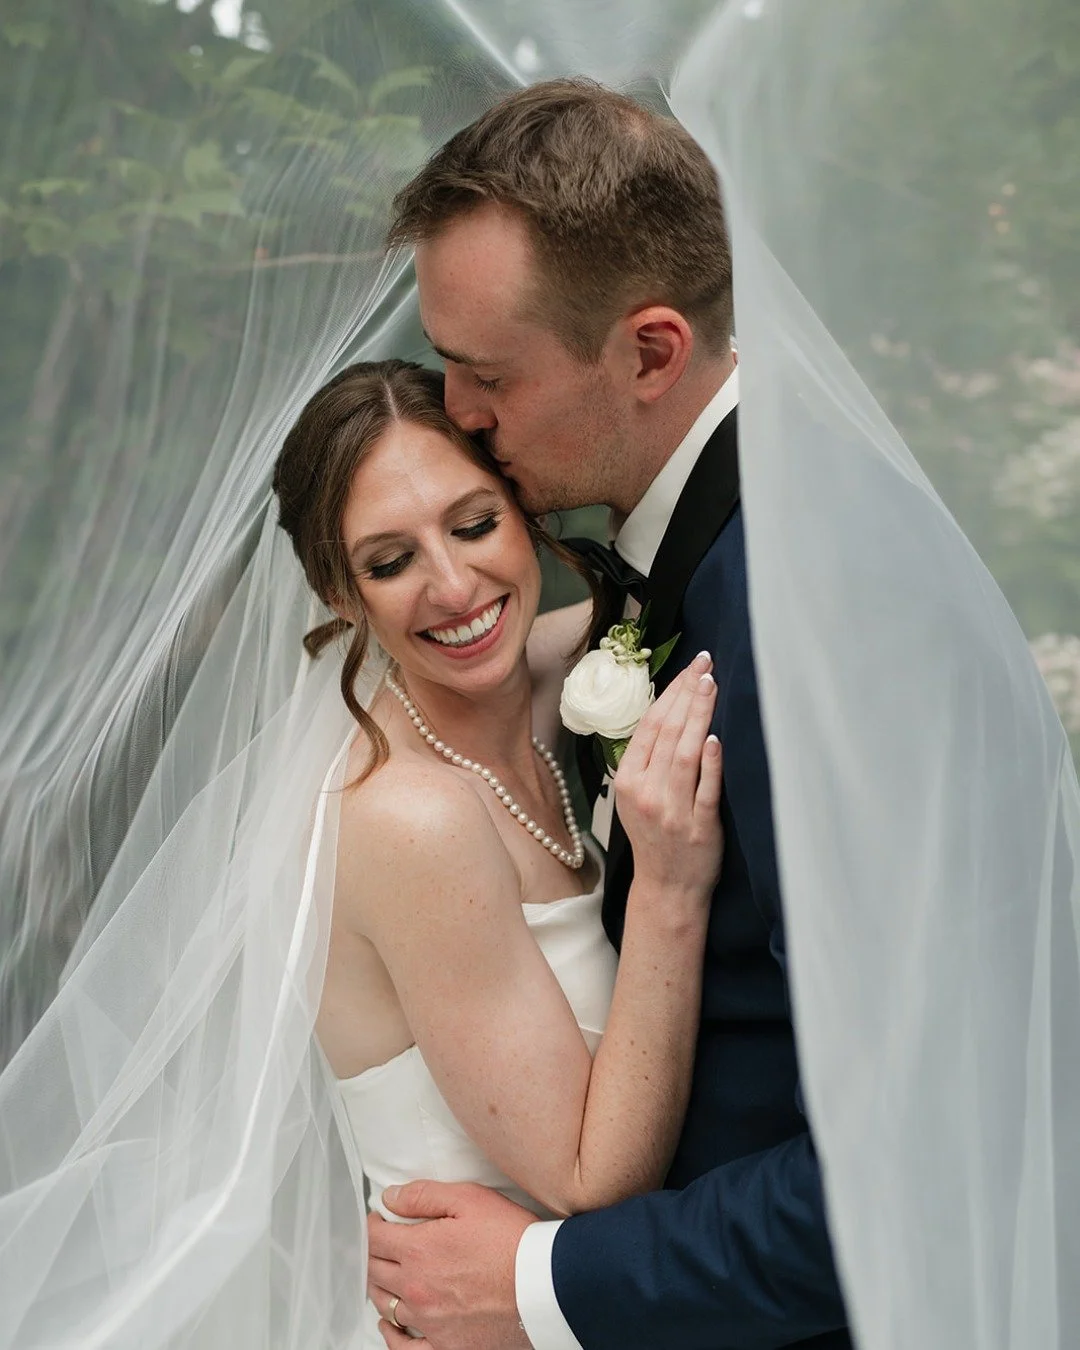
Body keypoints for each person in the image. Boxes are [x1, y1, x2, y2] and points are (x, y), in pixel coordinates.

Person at [365, 79, 852, 1350]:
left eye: (486, 375)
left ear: (648, 352)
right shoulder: (696, 559)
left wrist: (538, 1285)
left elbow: (904, 1158)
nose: (459, 414)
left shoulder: (796, 611)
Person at [270, 358, 726, 1347]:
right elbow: (583, 1175)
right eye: (389, 562)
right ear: (338, 593)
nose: (454, 586)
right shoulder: (408, 819)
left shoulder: (572, 666)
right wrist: (671, 891)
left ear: (521, 511)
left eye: (474, 525)